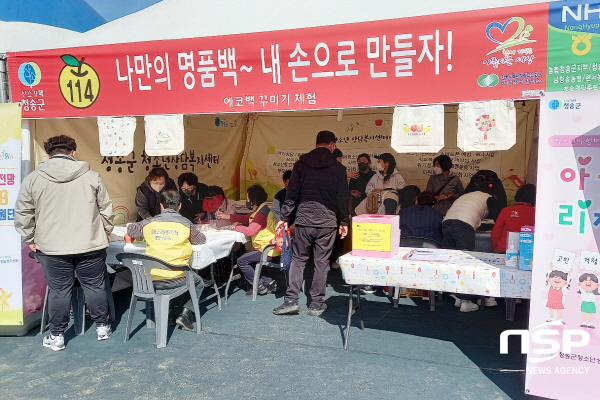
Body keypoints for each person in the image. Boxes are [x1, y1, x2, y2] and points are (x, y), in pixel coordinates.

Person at [14, 135, 114, 351]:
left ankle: (57, 335)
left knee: (59, 290)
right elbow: (106, 208)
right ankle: (102, 326)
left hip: (52, 247)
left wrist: (29, 238)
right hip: (90, 244)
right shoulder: (91, 176)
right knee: (94, 285)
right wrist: (106, 231)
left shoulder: (33, 179)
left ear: (48, 154)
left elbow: (23, 213)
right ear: (73, 152)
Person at [273, 130, 350, 316]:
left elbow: (292, 194)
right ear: (332, 145)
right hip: (327, 221)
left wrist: (284, 218)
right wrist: (344, 221)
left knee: (298, 260)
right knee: (322, 262)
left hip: (304, 220)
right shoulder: (339, 168)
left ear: (316, 143)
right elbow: (342, 198)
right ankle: (317, 303)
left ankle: (291, 300)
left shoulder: (301, 165)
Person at [125, 190, 206, 331]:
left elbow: (131, 230)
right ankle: (185, 314)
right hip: (177, 279)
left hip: (149, 280)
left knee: (178, 275)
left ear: (161, 206)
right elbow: (200, 240)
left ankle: (169, 313)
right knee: (198, 282)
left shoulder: (149, 223)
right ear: (180, 206)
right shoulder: (186, 224)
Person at [442, 174, 496, 312]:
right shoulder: (489, 199)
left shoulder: (467, 195)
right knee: (466, 264)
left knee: (453, 263)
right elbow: (491, 219)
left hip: (446, 223)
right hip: (463, 226)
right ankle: (466, 301)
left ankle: (459, 298)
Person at [217, 185, 280, 295]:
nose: (247, 201)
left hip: (267, 250)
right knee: (253, 258)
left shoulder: (261, 214)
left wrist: (236, 227)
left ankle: (259, 286)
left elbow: (250, 231)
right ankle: (270, 283)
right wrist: (226, 216)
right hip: (268, 248)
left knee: (242, 260)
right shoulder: (263, 209)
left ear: (253, 200)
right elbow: (246, 218)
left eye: (247, 198)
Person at [491, 184, 536, 252]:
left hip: (504, 250)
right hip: (528, 252)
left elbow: (495, 234)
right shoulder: (538, 214)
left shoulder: (506, 210)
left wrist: (496, 249)